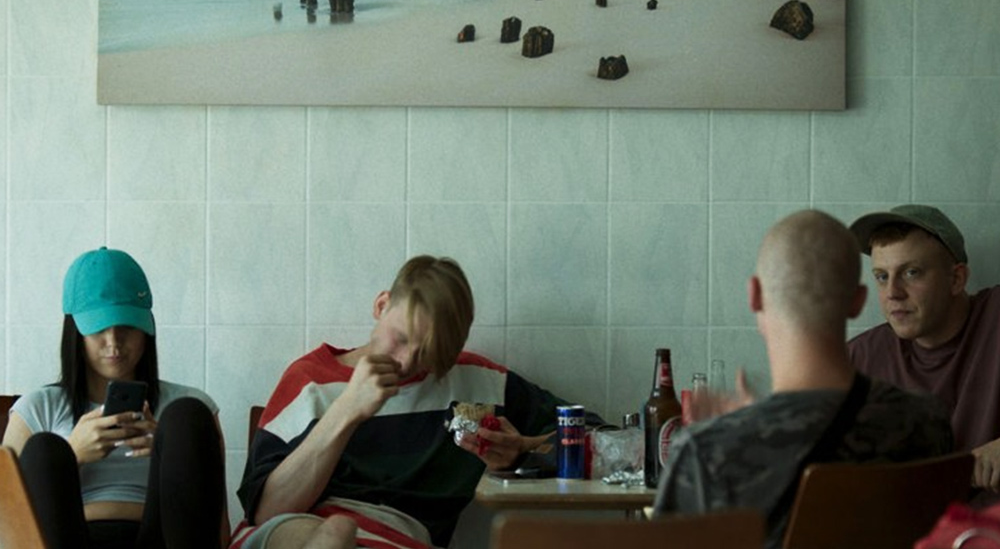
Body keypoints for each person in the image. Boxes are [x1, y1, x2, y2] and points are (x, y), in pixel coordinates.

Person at [231, 255, 597, 549]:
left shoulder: (481, 384)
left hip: (398, 535)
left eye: (429, 353)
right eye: (401, 338)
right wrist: (346, 410)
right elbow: (265, 511)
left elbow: (600, 439)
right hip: (290, 530)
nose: (406, 362)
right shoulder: (310, 381)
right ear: (381, 305)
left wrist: (523, 452)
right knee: (308, 533)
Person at [653, 210, 953, 548]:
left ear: (755, 295)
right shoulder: (927, 424)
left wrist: (736, 432)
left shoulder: (705, 452)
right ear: (857, 301)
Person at [1, 246, 228, 549]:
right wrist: (73, 455)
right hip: (70, 539)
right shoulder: (37, 408)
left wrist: (169, 454)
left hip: (161, 539)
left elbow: (222, 535)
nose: (114, 342)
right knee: (44, 450)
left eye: (126, 327)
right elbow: (7, 533)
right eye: (99, 329)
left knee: (186, 417)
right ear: (76, 332)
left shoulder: (187, 408)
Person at [848, 204, 1000, 503]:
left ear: (956, 279)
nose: (893, 292)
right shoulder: (859, 359)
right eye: (881, 276)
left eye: (911, 272)